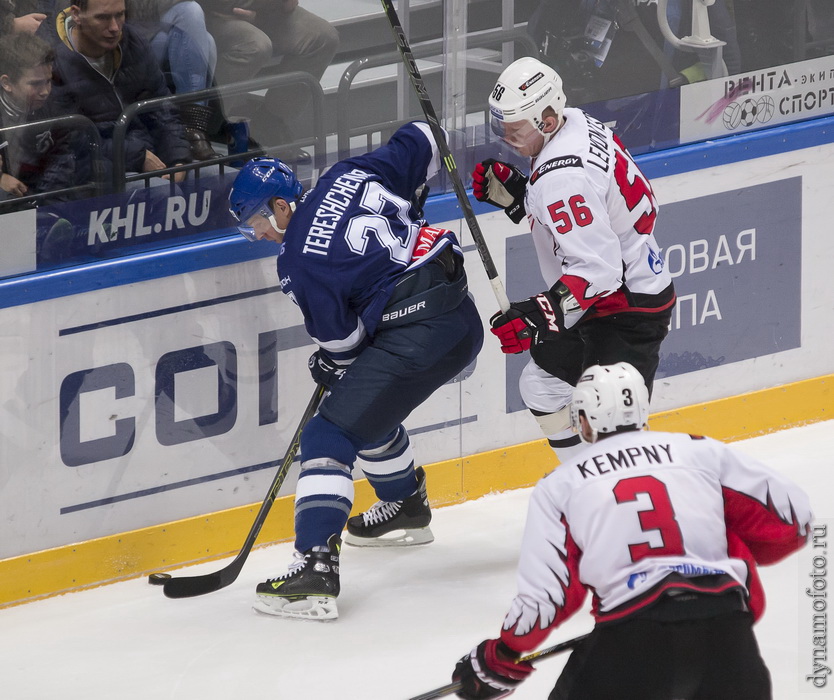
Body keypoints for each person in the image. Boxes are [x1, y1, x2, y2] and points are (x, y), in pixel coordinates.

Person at [227, 121, 484, 621]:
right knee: (364, 405)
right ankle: (405, 504)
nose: (257, 233)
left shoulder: (298, 260)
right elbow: (423, 137)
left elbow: (343, 347)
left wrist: (334, 362)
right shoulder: (345, 175)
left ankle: (315, 567)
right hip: (459, 315)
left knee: (329, 433)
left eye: (256, 221)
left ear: (281, 206)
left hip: (418, 332)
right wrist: (411, 192)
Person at [451, 362, 812, 700]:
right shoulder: (700, 452)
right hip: (728, 637)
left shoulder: (562, 484)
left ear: (583, 419)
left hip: (631, 645)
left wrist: (503, 653)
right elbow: (793, 519)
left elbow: (548, 598)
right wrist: (726, 547)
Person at [473, 56, 675, 463]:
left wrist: (537, 313)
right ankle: (579, 481)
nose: (504, 138)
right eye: (500, 127)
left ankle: (627, 498)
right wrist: (523, 194)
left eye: (514, 129)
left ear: (546, 120)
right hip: (621, 290)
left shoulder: (560, 178)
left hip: (623, 311)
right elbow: (594, 203)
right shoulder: (576, 122)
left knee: (613, 431)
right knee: (542, 387)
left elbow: (598, 269)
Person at [51, 0, 191, 185]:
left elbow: (161, 108)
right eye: (102, 17)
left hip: (150, 151)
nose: (115, 27)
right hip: (98, 170)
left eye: (120, 15)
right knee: (160, 191)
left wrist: (177, 158)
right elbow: (74, 142)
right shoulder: (54, 62)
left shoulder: (133, 42)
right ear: (77, 15)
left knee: (216, 178)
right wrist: (137, 155)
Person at [199, 0, 338, 162]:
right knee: (256, 46)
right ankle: (208, 123)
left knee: (323, 36)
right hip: (215, 12)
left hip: (266, 9)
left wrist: (266, 10)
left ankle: (271, 121)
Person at [126, 0, 220, 160]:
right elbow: (138, 9)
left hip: (164, 26)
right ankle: (193, 128)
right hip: (130, 31)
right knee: (192, 12)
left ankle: (186, 130)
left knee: (205, 40)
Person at [0, 32, 83, 208]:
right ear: (7, 83)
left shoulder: (54, 108)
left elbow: (60, 162)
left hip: (42, 198)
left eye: (48, 81)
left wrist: (44, 206)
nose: (45, 91)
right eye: (35, 84)